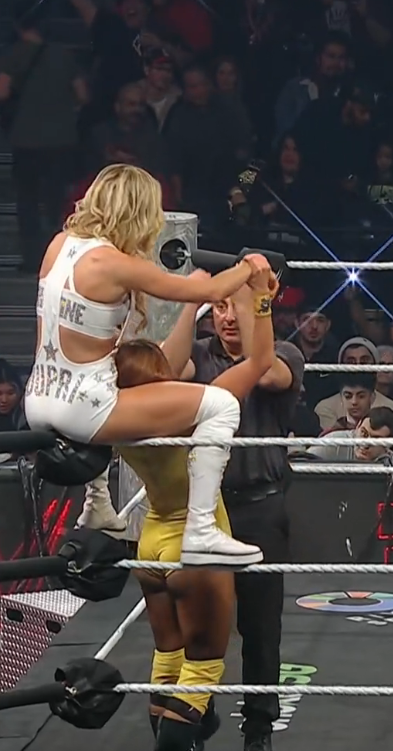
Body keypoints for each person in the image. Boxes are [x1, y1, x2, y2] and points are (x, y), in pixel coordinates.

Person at [25, 163, 267, 567]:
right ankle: (201, 529)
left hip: (38, 397)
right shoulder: (114, 263)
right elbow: (210, 290)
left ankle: (97, 504)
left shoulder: (59, 245)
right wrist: (250, 267)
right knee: (221, 405)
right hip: (84, 408)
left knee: (118, 369)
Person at [112, 272, 277, 751]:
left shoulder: (114, 418)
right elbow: (258, 361)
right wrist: (261, 299)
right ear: (162, 380)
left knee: (168, 657)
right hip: (194, 546)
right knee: (203, 666)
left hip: (151, 541)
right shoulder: (191, 411)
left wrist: (191, 305)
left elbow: (157, 363)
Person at [185, 274, 308, 751]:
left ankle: (259, 730)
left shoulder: (284, 354)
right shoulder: (196, 354)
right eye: (218, 307)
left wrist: (257, 305)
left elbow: (270, 374)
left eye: (236, 306)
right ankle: (195, 720)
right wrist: (189, 300)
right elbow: (165, 368)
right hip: (205, 507)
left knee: (260, 627)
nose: (228, 316)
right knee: (199, 623)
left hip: (260, 506)